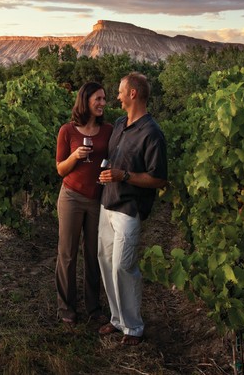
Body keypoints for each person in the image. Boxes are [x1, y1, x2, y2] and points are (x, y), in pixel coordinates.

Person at [97, 72, 168, 346]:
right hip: (107, 203)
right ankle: (117, 319)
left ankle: (134, 327)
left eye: (120, 91)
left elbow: (159, 178)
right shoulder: (119, 124)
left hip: (129, 208)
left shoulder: (152, 133)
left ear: (133, 94)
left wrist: (123, 176)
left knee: (123, 267)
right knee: (106, 263)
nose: (117, 96)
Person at [55, 82, 114, 326]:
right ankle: (66, 306)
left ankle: (94, 306)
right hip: (71, 196)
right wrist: (74, 156)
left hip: (97, 198)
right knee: (67, 254)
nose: (102, 103)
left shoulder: (108, 130)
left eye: (104, 99)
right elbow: (60, 169)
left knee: (93, 254)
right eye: (97, 99)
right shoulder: (67, 131)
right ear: (86, 101)